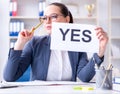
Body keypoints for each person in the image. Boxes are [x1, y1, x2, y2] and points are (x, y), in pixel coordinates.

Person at [4, 2, 108, 82]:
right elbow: (9, 77)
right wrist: (19, 44)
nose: (47, 21)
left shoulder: (77, 44)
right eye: (44, 18)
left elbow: (84, 77)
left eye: (53, 16)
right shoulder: (35, 43)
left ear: (67, 20)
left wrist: (100, 51)